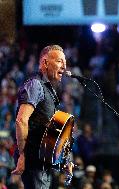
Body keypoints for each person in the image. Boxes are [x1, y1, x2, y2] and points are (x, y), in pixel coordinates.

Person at [11, 45, 73, 188]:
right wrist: (22, 155)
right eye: (59, 61)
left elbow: (49, 131)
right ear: (45, 63)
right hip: (33, 160)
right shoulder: (35, 85)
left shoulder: (50, 90)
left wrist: (64, 160)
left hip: (43, 162)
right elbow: (21, 120)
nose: (64, 66)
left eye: (65, 62)